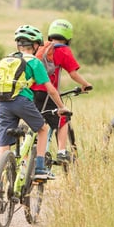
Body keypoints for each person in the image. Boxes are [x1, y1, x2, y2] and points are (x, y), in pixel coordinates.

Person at [0, 24, 68, 180]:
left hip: (3, 103)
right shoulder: (34, 62)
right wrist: (62, 107)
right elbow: (50, 89)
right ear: (35, 45)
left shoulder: (5, 60)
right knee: (43, 129)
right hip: (22, 101)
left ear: (19, 44)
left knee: (3, 145)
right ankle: (39, 168)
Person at [31, 18, 92, 163]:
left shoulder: (41, 47)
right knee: (63, 119)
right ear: (68, 37)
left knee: (38, 121)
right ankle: (62, 152)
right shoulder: (63, 50)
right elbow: (73, 73)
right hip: (47, 93)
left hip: (31, 91)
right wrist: (86, 84)